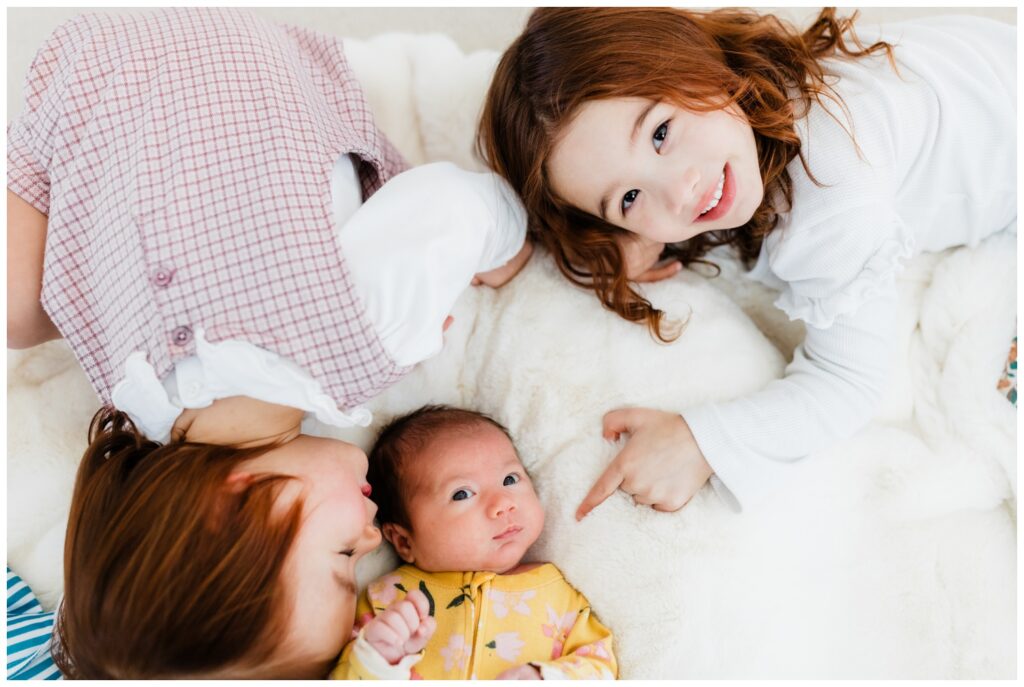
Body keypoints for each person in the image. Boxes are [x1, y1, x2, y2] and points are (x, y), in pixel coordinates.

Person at [7, 8, 529, 678]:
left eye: (343, 556)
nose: (373, 538)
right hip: (92, 69)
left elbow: (458, 204)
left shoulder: (362, 335)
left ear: (239, 495)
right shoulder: (140, 410)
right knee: (21, 314)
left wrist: (506, 244)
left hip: (244, 60)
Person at [477, 7, 1015, 515]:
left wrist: (701, 441)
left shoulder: (832, 191)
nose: (680, 191)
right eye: (630, 199)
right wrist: (525, 241)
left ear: (689, 62)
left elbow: (848, 382)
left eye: (661, 133)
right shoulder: (753, 84)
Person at [331, 406, 617, 680]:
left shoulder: (556, 592)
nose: (503, 504)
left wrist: (547, 677)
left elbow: (600, 665)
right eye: (462, 494)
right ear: (404, 541)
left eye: (509, 479)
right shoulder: (389, 601)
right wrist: (377, 660)